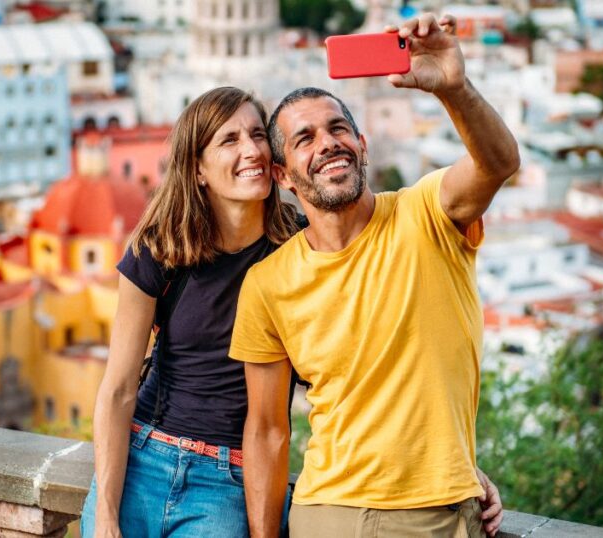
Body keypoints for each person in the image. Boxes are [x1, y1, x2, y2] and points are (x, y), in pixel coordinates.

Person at [81, 84, 503, 536]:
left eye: (257, 136)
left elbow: (376, 348)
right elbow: (119, 390)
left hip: (228, 477)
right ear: (198, 169)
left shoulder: (304, 241)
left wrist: (453, 467)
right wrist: (106, 514)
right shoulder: (163, 246)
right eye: (229, 140)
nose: (251, 150)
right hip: (146, 455)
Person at [230, 13, 519, 538]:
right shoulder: (268, 283)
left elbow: (497, 163)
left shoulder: (426, 213)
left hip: (451, 512)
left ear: (361, 143)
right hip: (334, 513)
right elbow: (268, 431)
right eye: (305, 138)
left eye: (338, 128)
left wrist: (455, 90)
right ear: (282, 176)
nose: (327, 143)